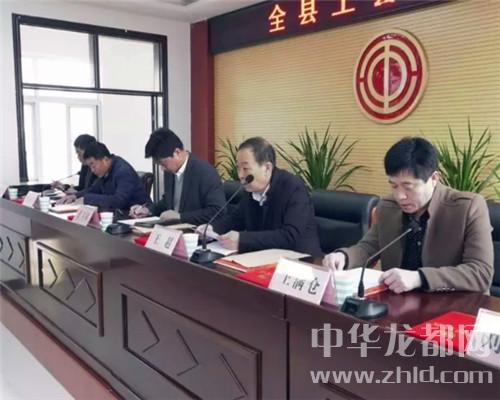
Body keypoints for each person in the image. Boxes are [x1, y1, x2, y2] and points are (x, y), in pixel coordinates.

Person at [323, 137, 494, 294]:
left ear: (434, 178)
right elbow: (368, 248)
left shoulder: (467, 207)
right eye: (394, 186)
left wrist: (420, 278)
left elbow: (481, 272)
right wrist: (344, 257)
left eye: (408, 187)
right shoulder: (388, 207)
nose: (400, 196)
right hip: (400, 303)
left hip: (455, 304)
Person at [204, 137, 322, 256]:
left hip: (299, 260)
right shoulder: (251, 188)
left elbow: (289, 235)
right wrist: (211, 229)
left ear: (267, 168)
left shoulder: (293, 187)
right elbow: (236, 219)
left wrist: (242, 239)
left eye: (245, 168)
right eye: (238, 168)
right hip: (263, 257)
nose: (240, 175)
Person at [129, 128, 226, 225]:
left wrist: (181, 217)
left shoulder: (205, 172)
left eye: (163, 163)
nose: (162, 169)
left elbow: (217, 211)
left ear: (177, 153)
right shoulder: (170, 171)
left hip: (195, 230)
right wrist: (147, 210)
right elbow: (168, 201)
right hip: (171, 228)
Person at [58, 142, 151, 211]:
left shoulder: (123, 171)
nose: (92, 170)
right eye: (90, 166)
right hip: (120, 215)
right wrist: (74, 196)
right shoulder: (106, 170)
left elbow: (118, 201)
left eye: (93, 165)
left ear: (105, 159)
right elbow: (93, 189)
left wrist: (87, 199)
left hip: (139, 216)